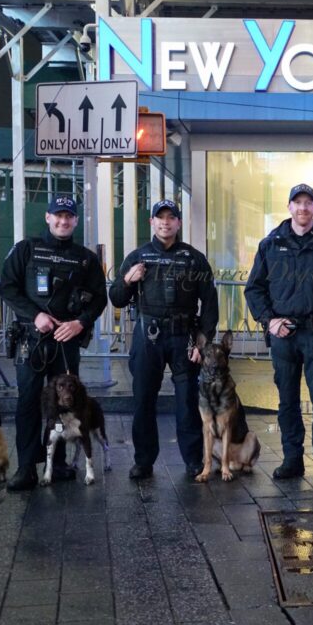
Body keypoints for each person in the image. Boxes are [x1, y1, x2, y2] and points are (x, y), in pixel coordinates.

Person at [244, 184, 313, 485]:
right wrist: (268, 321)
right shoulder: (271, 244)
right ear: (289, 207)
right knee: (287, 401)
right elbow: (254, 289)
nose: (303, 208)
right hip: (284, 334)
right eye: (298, 203)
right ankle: (292, 459)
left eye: (309, 203)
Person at [0, 196, 107, 491]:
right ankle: (26, 467)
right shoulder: (27, 249)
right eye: (57, 216)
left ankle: (57, 463)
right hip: (31, 340)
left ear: (75, 221)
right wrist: (35, 315)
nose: (63, 221)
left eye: (69, 217)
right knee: (29, 402)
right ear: (47, 217)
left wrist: (80, 323)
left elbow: (100, 298)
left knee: (64, 405)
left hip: (66, 341)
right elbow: (7, 288)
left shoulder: (85, 258)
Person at [109, 199, 218, 480]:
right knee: (143, 400)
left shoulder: (194, 258)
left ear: (179, 223)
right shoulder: (137, 257)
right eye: (160, 218)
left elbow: (209, 303)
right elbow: (116, 298)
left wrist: (203, 341)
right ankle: (143, 461)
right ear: (152, 223)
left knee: (187, 402)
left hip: (185, 339)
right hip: (148, 338)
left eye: (171, 217)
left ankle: (194, 461)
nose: (166, 222)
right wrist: (128, 280)